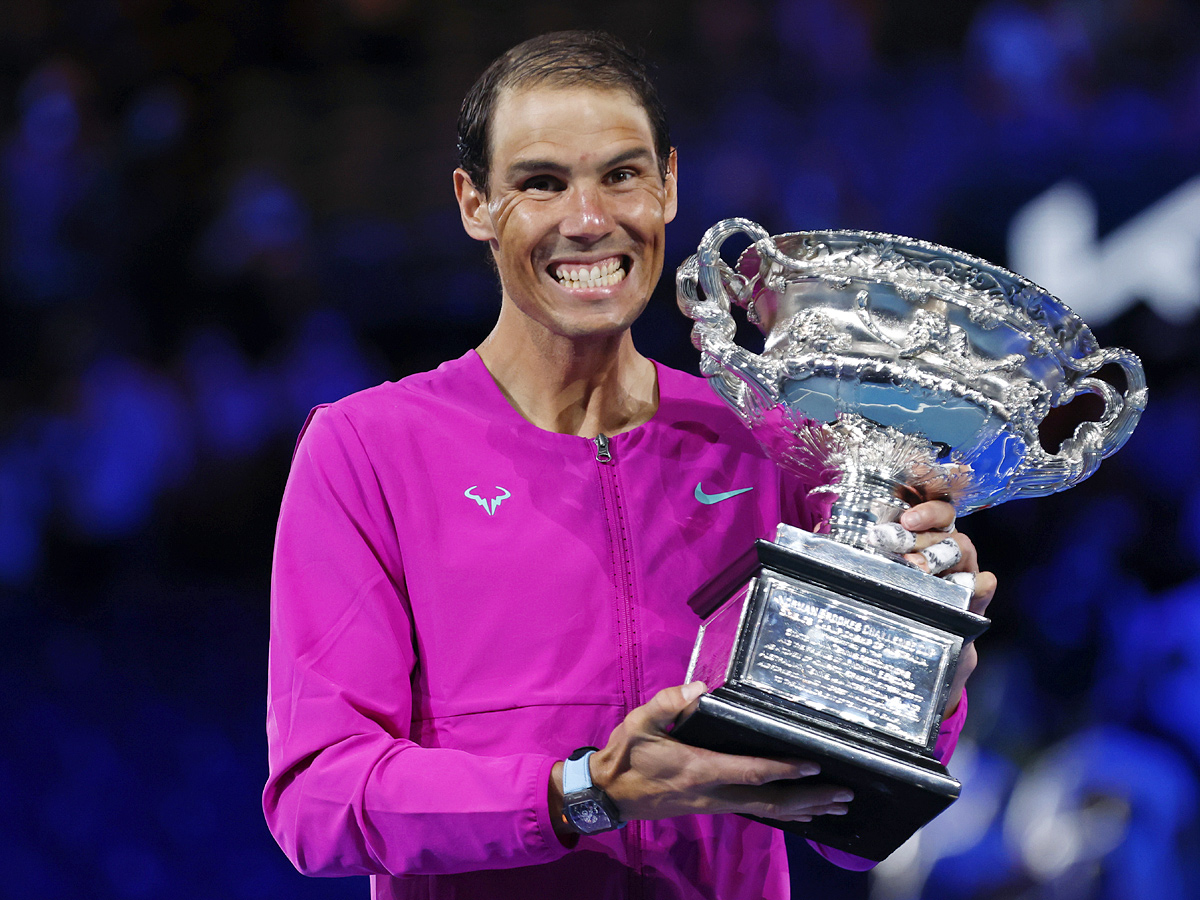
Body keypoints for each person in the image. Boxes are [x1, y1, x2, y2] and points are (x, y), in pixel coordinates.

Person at [263, 30, 997, 900]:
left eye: (621, 175)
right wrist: (584, 794)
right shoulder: (368, 449)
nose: (588, 220)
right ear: (474, 204)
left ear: (670, 186)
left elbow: (847, 830)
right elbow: (319, 799)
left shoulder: (769, 445)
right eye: (542, 183)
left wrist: (920, 673)